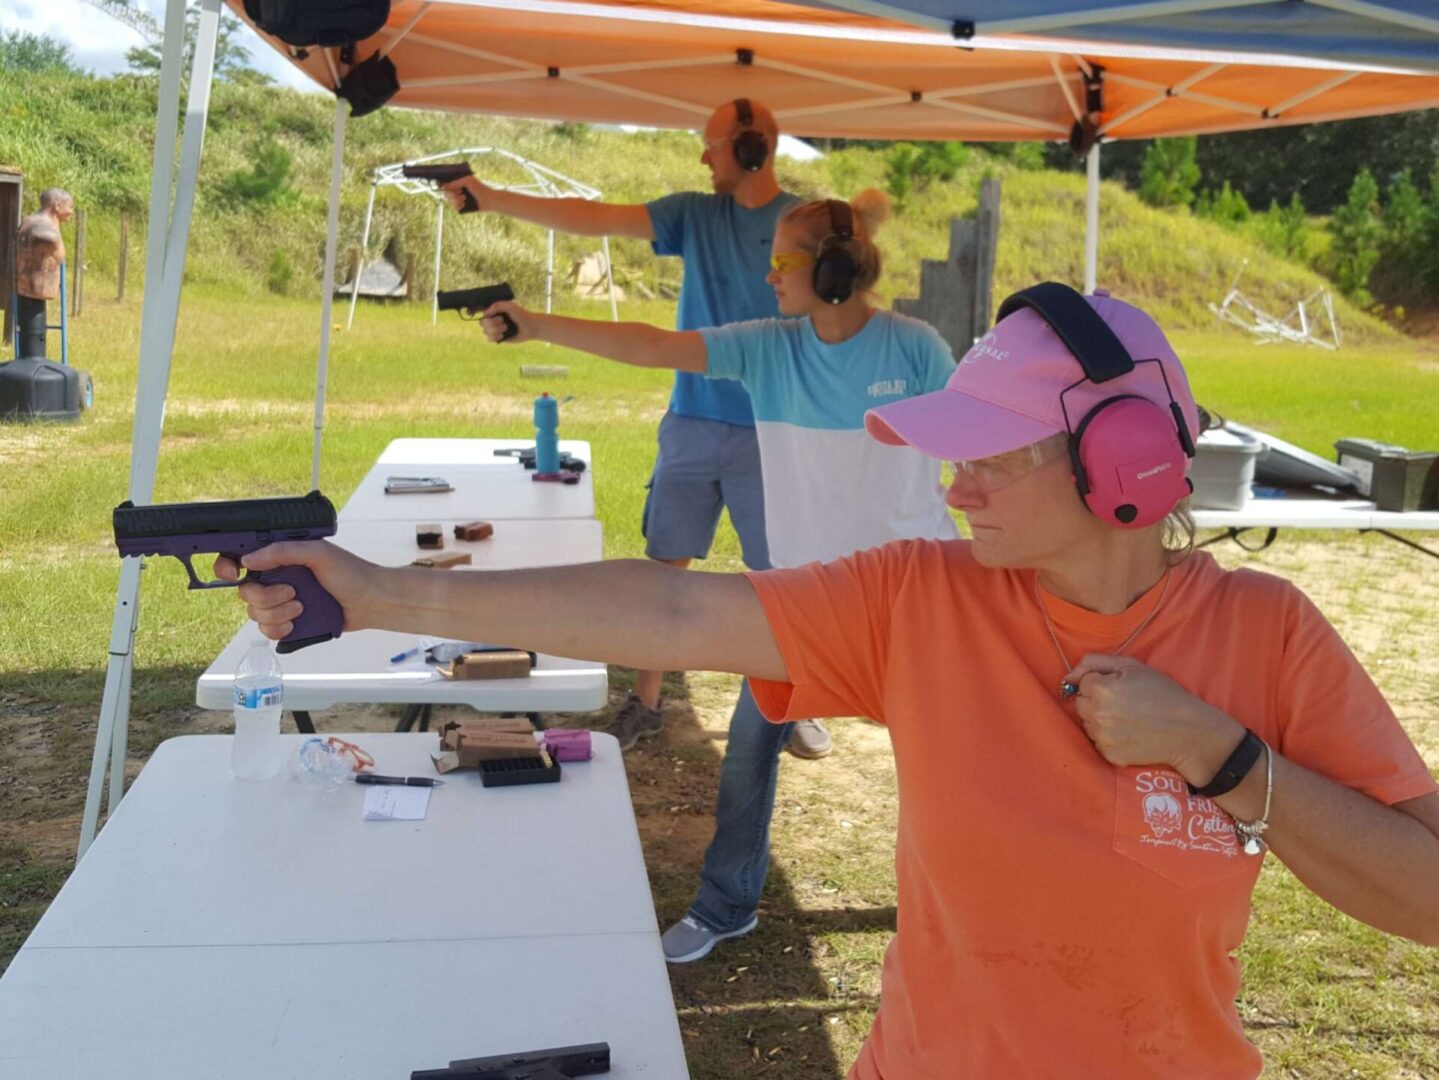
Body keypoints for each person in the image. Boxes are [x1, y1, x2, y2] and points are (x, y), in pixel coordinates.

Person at [223, 283, 1439, 1078]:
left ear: (1119, 460)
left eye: (987, 459)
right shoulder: (924, 597)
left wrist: (1225, 760)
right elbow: (675, 604)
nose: (952, 486)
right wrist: (384, 594)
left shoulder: (1264, 634)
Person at [477, 189, 958, 962]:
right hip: (807, 602)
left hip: (916, 598)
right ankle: (727, 904)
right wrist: (536, 323)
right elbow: (651, 345)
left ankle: (955, 914)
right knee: (745, 756)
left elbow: (975, 448)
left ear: (830, 271)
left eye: (782, 262)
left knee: (947, 771)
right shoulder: (770, 345)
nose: (768, 276)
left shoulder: (915, 349)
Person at [441, 100, 836, 760]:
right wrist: (489, 199)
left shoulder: (800, 224)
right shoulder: (693, 213)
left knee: (780, 577)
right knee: (663, 567)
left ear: (749, 148)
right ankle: (646, 703)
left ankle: (794, 701)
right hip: (690, 421)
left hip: (773, 428)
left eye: (710, 145)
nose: (702, 157)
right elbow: (593, 218)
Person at [15, 188, 74, 359]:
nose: (71, 211)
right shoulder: (45, 229)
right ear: (57, 206)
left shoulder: (27, 221)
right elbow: (55, 248)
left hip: (29, 288)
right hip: (36, 288)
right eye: (70, 207)